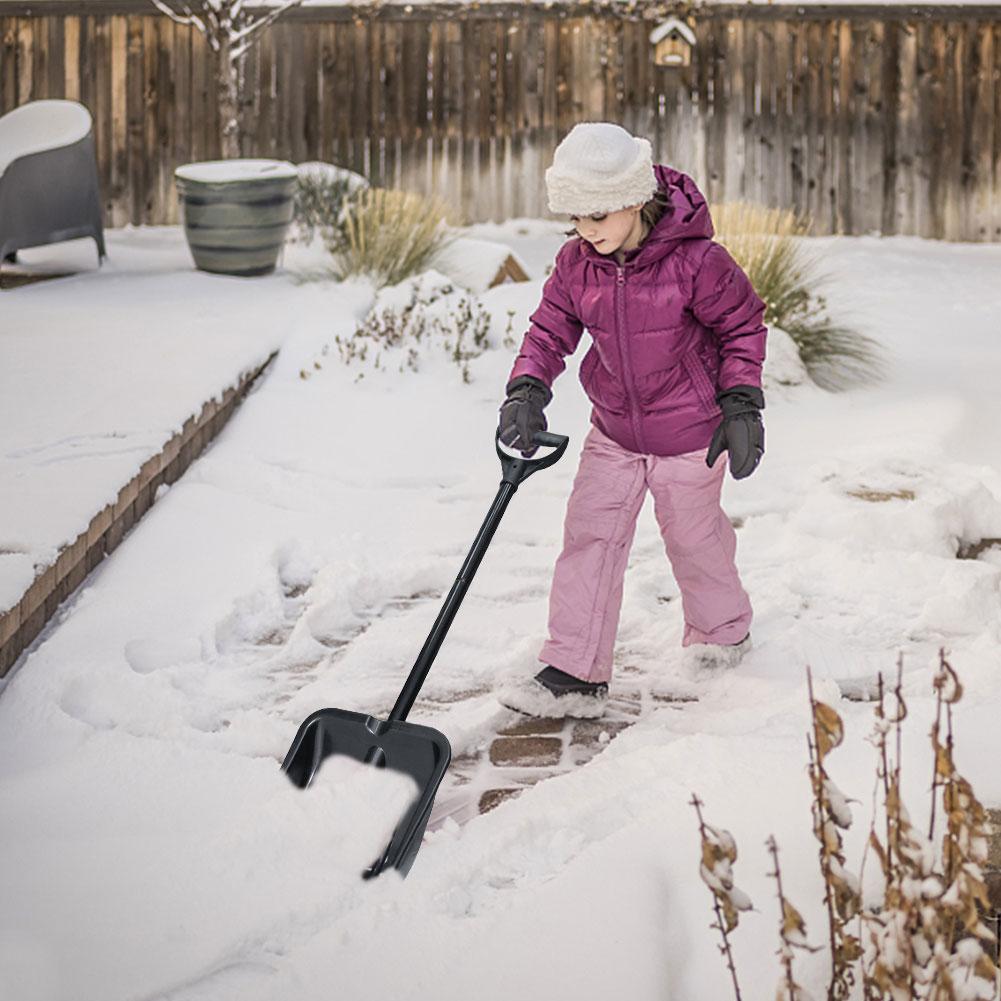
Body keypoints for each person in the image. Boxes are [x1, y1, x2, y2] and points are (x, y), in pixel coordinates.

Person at [496, 121, 767, 718]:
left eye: (596, 216)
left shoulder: (698, 263)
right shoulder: (576, 264)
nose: (585, 231)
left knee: (695, 542)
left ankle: (723, 635)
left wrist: (741, 403)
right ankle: (574, 667)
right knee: (589, 537)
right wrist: (526, 388)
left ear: (634, 199)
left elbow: (742, 326)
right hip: (614, 431)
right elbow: (549, 331)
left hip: (692, 434)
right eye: (575, 218)